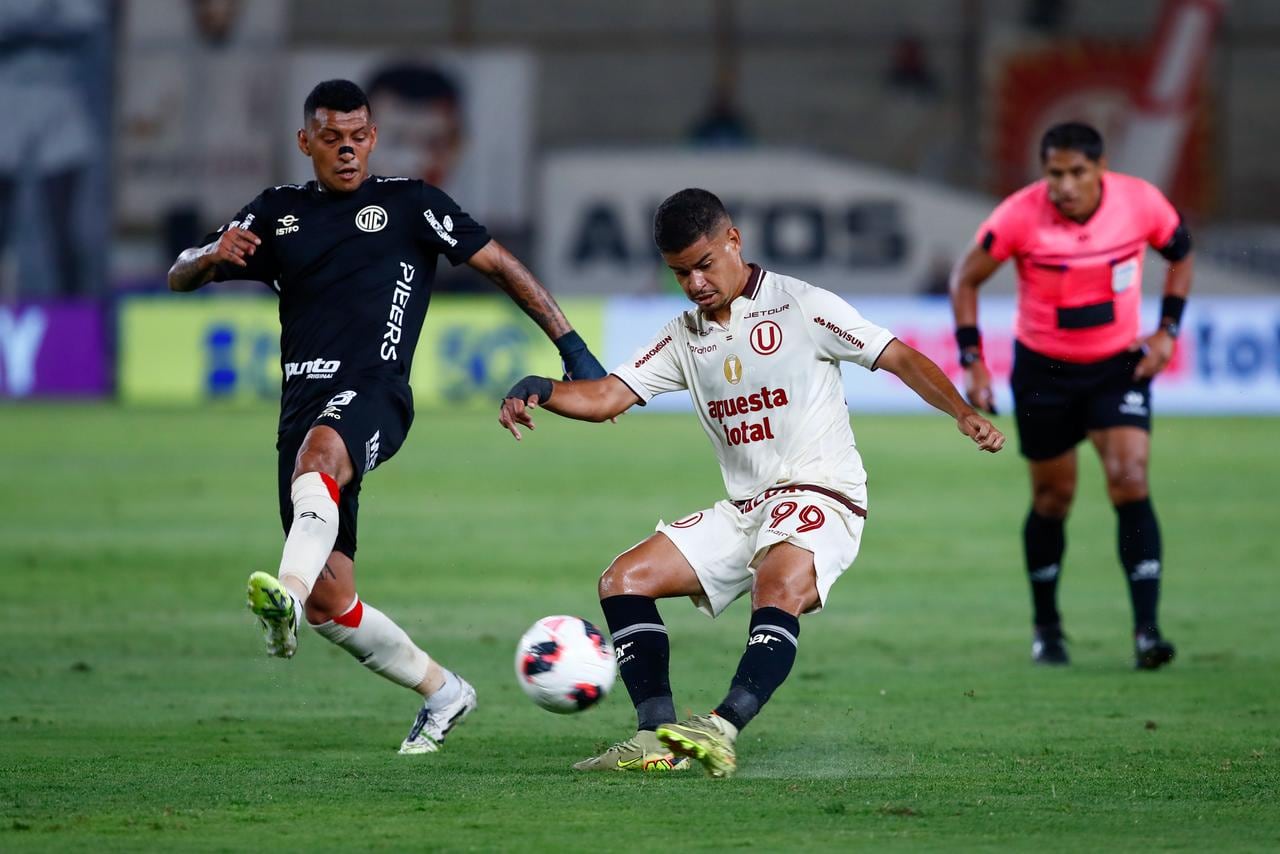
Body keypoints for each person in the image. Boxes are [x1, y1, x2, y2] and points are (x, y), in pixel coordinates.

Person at [498, 188, 1004, 778]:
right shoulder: (683, 334)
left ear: (733, 240)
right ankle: (653, 736)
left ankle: (721, 727)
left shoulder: (802, 305)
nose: (693, 284)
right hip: (745, 509)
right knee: (622, 580)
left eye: (703, 265)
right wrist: (541, 387)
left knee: (778, 580)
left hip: (822, 493)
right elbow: (608, 395)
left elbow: (899, 358)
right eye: (679, 273)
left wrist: (962, 411)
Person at [167, 79, 605, 754]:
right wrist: (207, 258)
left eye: (359, 137)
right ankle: (442, 691)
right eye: (332, 139)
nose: (348, 151)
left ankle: (280, 593)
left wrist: (570, 347)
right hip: (301, 407)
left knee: (318, 469)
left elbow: (501, 266)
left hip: (375, 392)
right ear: (304, 141)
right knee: (331, 604)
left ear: (373, 137)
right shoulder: (277, 212)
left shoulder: (409, 203)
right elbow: (179, 273)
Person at [949, 121, 1192, 669]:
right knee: (1053, 500)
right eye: (1054, 172)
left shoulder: (1141, 203)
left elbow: (1181, 251)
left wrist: (1167, 330)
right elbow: (965, 279)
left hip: (1117, 367)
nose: (1064, 184)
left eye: (1077, 172)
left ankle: (1147, 633)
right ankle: (1047, 628)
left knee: (1130, 479)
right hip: (1045, 375)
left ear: (1100, 169)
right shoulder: (1018, 214)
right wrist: (972, 359)